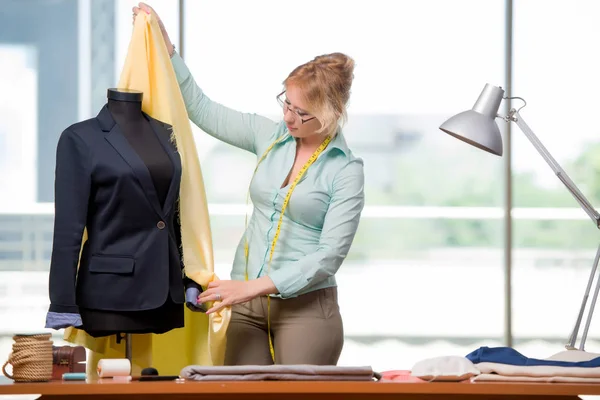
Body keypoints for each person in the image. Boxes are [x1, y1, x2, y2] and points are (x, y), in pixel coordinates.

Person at [132, 2, 365, 366]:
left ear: (330, 113)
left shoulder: (346, 170)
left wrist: (253, 286)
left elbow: (328, 256)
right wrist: (169, 50)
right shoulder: (268, 136)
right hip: (244, 302)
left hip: (305, 308)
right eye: (286, 103)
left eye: (301, 112)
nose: (288, 116)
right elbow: (202, 109)